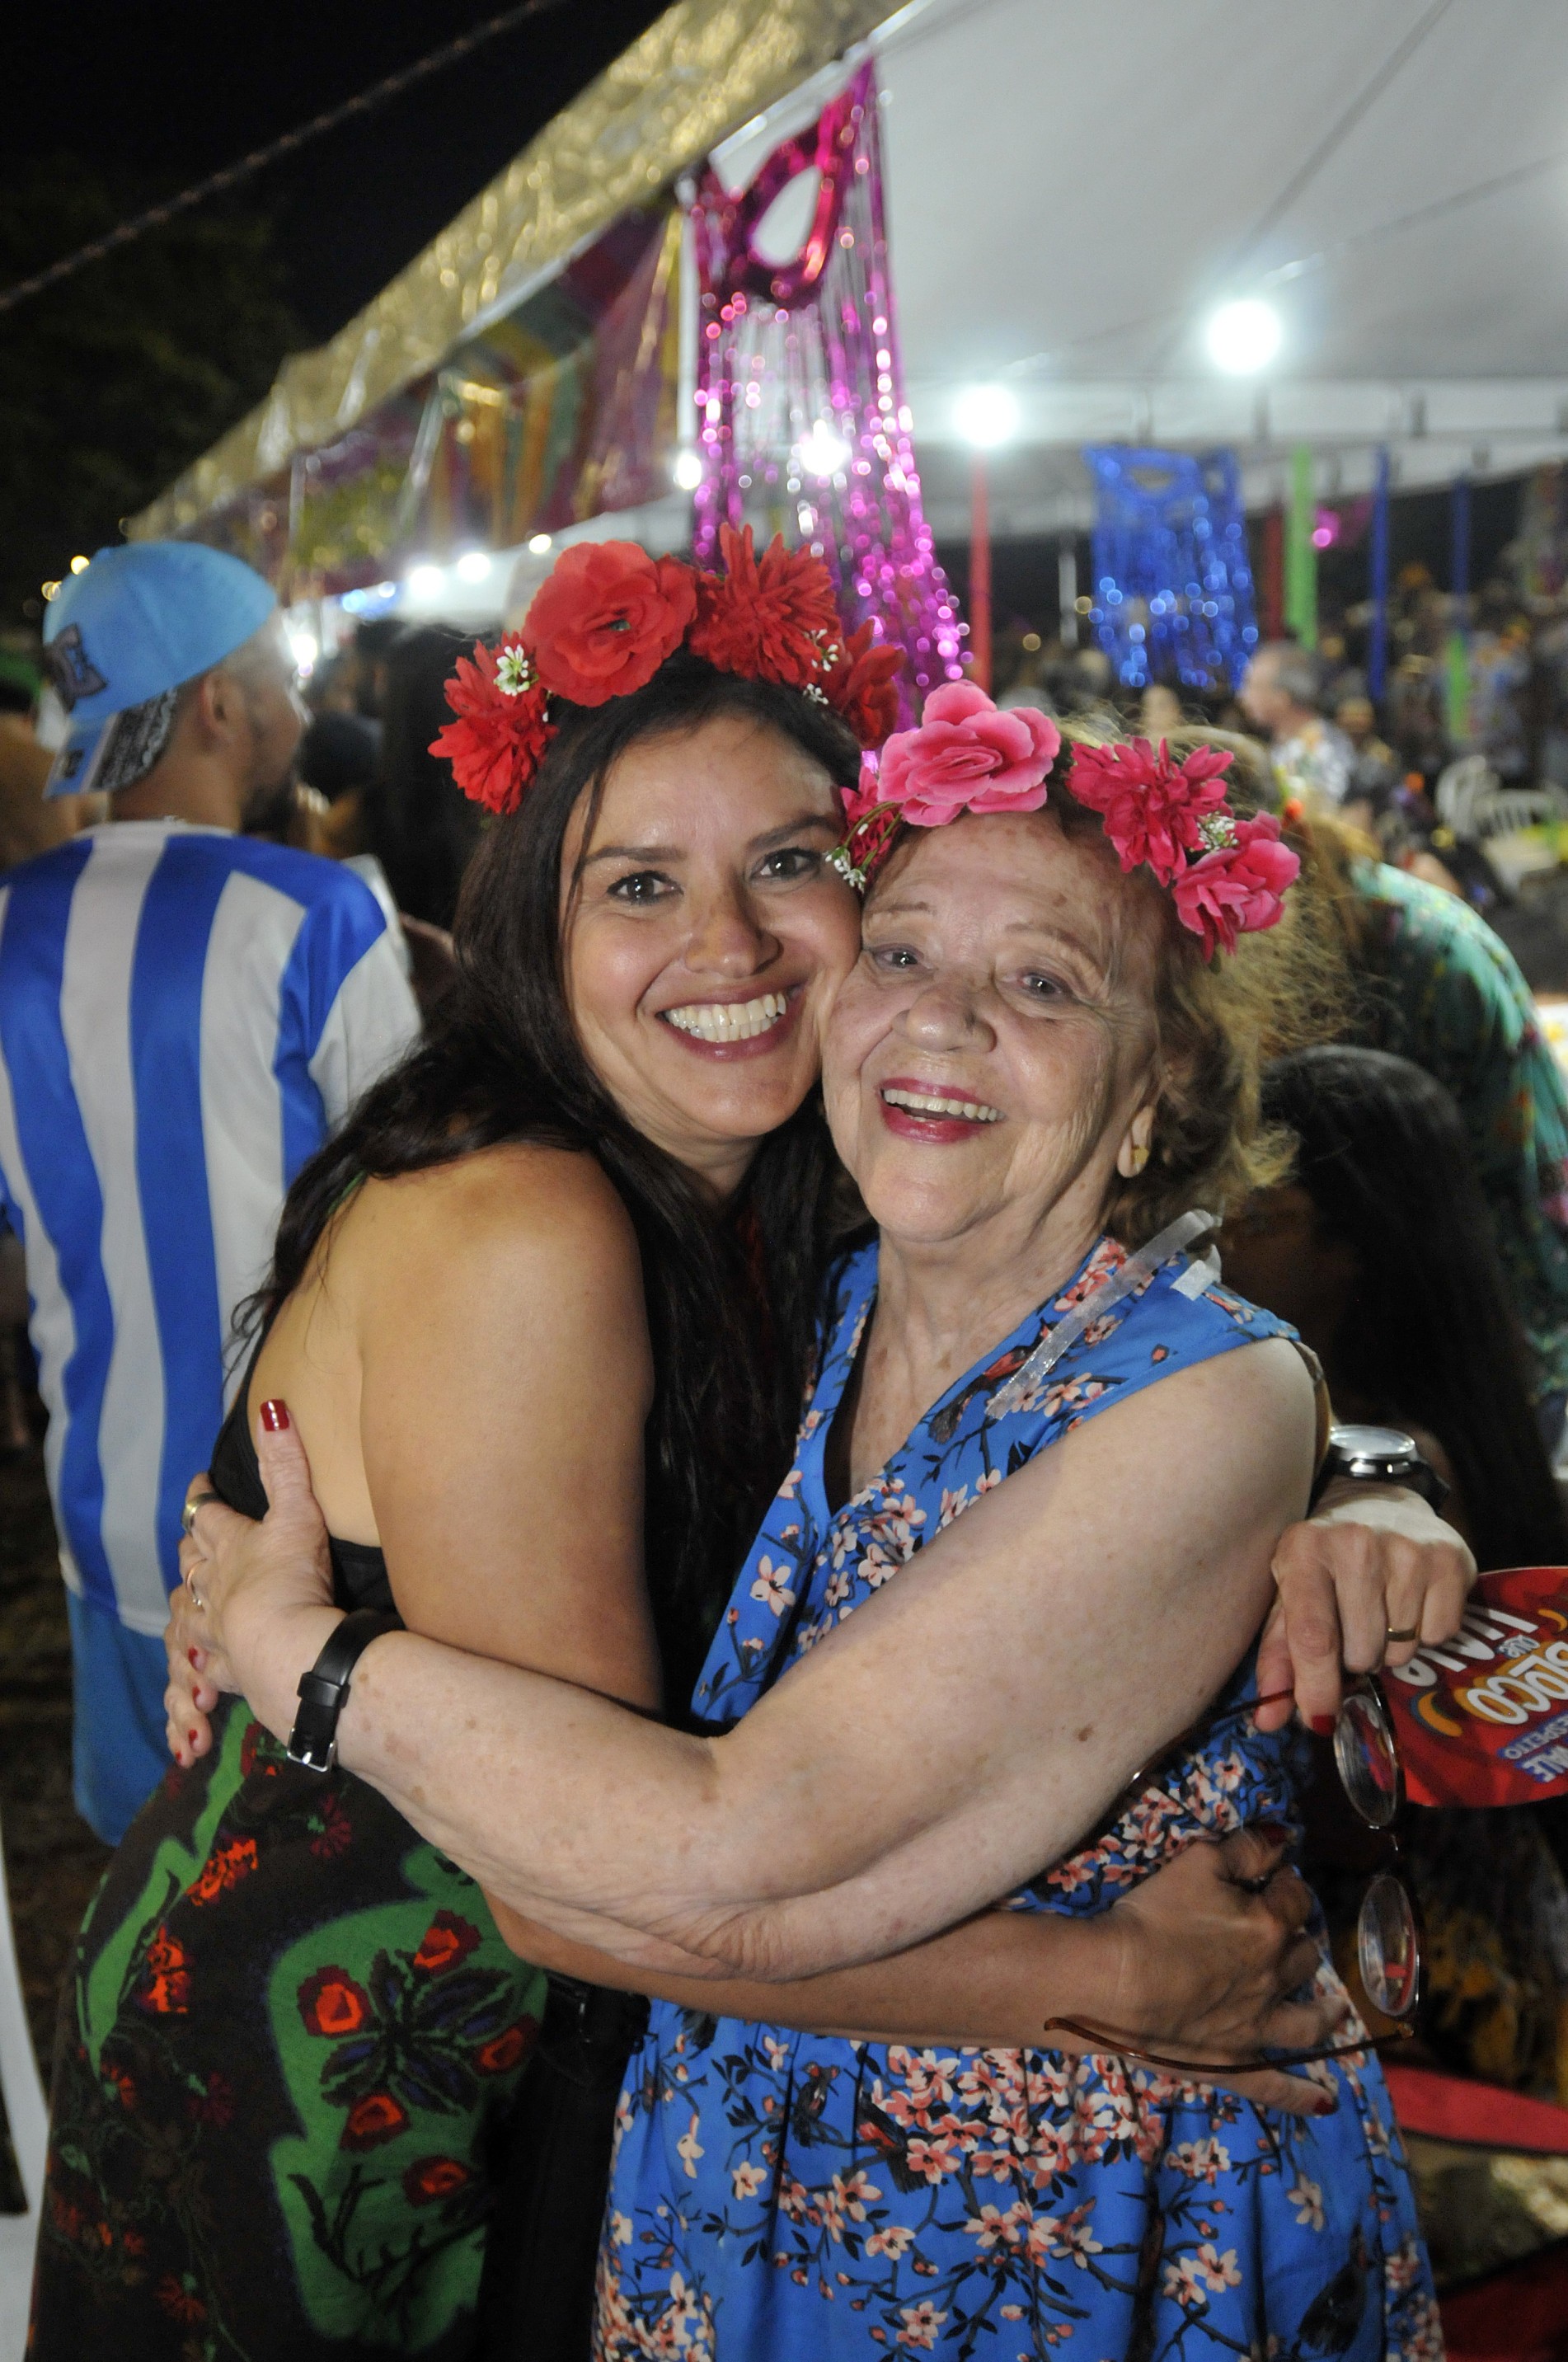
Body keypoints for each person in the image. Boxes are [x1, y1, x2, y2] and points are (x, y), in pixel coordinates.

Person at [31, 542, 1364, 2360]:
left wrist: (1353, 1483)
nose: (728, 946)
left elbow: (1121, 1388)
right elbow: (584, 1883)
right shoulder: (533, 1229)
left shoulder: (804, 1215)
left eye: (794, 867)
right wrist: (1114, 1983)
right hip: (346, 2088)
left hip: (568, 2080)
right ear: (537, 928)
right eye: (640, 883)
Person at [0, 542, 419, 1844]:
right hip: (314, 1532)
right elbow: (423, 1226)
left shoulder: (7, 926)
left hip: (107, 1512)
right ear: (217, 708)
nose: (300, 708)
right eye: (278, 676)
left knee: (147, 1882)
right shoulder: (322, 916)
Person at [1223, 1043, 1568, 2100]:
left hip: (1402, 2007)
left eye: (1258, 1216)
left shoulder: (1385, 1479)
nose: (1218, 1243)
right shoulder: (1463, 1421)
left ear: (1352, 1250)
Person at [1239, 641, 1354, 805]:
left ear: (1282, 697)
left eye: (1253, 686)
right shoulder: (1289, 743)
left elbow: (1310, 822)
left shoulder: (1316, 749)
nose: (1243, 697)